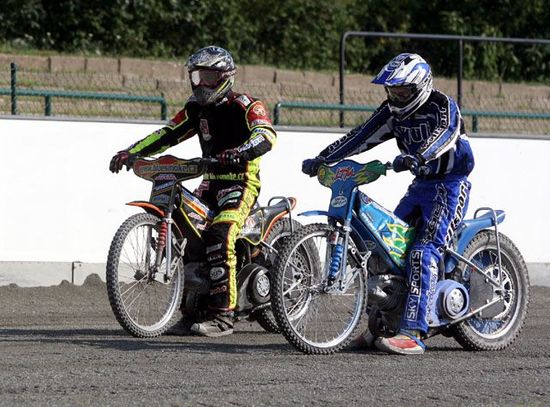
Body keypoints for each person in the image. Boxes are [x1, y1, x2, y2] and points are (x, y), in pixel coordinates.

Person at [302, 53, 474, 355]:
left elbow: (445, 134)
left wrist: (419, 155)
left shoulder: (443, 106)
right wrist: (323, 158)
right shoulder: (392, 112)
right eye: (392, 90)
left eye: (402, 91)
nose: (396, 96)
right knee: (384, 248)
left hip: (448, 186)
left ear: (421, 86)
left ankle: (413, 331)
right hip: (420, 186)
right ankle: (378, 328)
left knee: (423, 252)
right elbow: (361, 136)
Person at [109, 46, 277, 337]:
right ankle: (192, 313)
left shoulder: (247, 105)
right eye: (196, 76)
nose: (200, 84)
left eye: (208, 77)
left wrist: (238, 153)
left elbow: (266, 136)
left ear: (225, 76)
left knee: (220, 233)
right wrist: (130, 152)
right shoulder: (195, 109)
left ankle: (224, 315)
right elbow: (167, 134)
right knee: (187, 235)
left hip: (240, 184)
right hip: (209, 182)